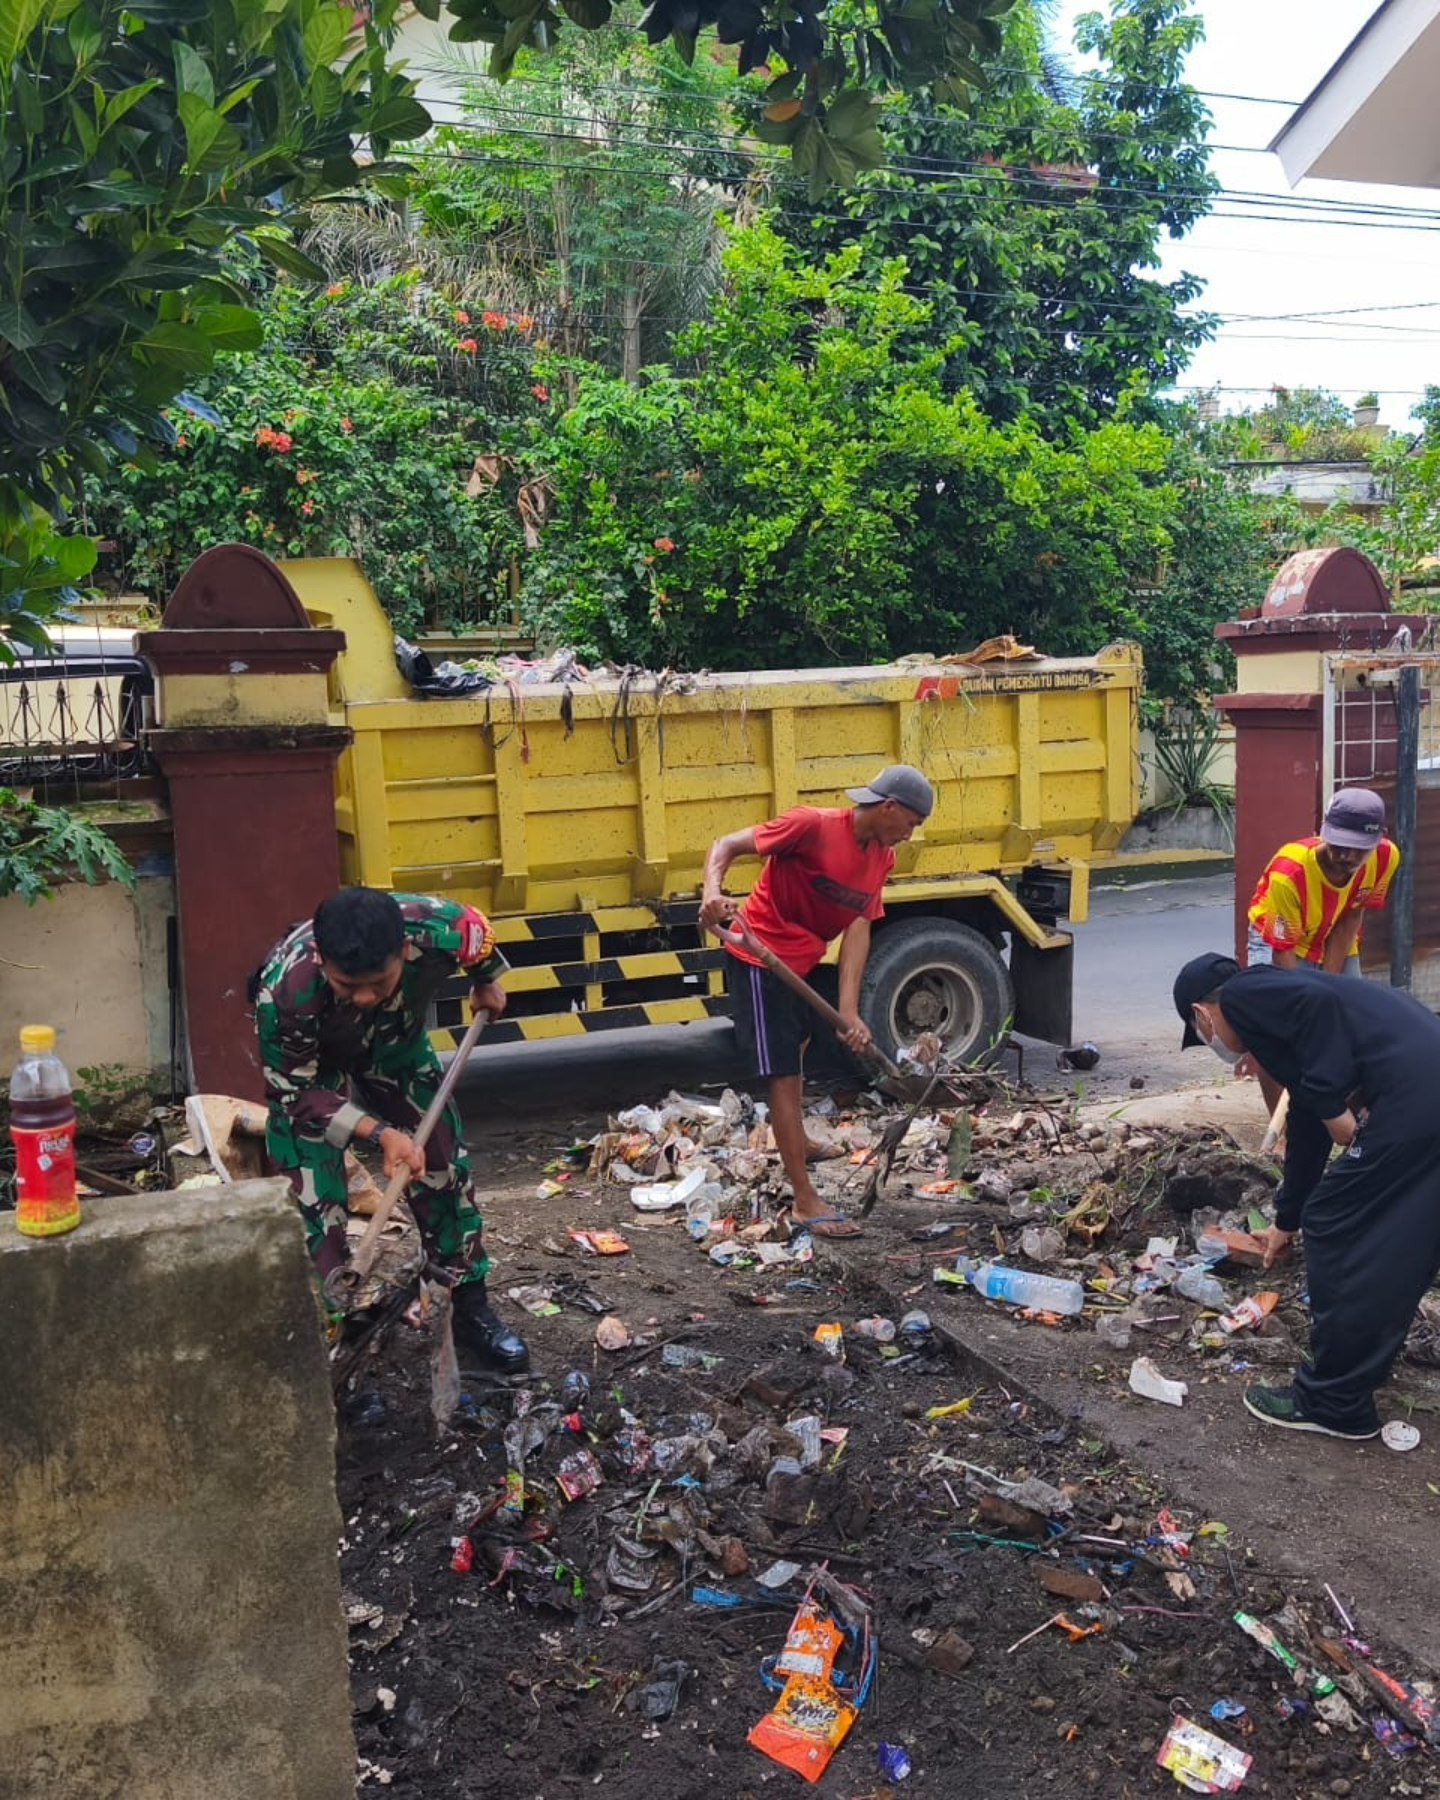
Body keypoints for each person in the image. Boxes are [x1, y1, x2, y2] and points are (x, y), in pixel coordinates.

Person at [253, 886, 528, 1373]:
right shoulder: (284, 992)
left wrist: (486, 981)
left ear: (405, 950)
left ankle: (466, 1306)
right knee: (314, 1204)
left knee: (443, 1168)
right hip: (314, 1077)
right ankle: (338, 1337)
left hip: (395, 1050)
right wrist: (382, 1135)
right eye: (346, 985)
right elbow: (297, 1095)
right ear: (319, 957)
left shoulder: (437, 926)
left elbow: (478, 933)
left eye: (378, 983)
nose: (362, 997)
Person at [1173, 949, 1440, 1440]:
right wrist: (1286, 1218)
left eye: (1203, 1033)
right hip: (1424, 1091)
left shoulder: (1245, 994)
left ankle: (1334, 1400)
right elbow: (1310, 1130)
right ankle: (1362, 1371)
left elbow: (1319, 1011)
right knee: (1406, 1233)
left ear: (1201, 1014)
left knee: (1338, 1222)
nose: (1215, 1043)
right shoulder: (1280, 1024)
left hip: (1415, 1095)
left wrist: (1327, 1100)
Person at [699, 765, 934, 1239]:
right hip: (758, 956)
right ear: (888, 807)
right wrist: (712, 894)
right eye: (910, 823)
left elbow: (858, 928)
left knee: (801, 1048)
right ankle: (805, 1201)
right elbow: (725, 845)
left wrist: (849, 1012)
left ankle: (798, 1141)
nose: (910, 835)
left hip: (802, 963)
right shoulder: (812, 825)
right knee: (783, 1074)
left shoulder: (881, 858)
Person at [1246, 787, 1399, 977]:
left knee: (1348, 1001)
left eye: (1359, 847)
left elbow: (1351, 916)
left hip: (1335, 929)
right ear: (1325, 829)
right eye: (1339, 844)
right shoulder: (1288, 874)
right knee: (1282, 1002)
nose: (1347, 856)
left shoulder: (1386, 857)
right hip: (1277, 938)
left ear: (1379, 837)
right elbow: (1282, 947)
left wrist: (1328, 983)